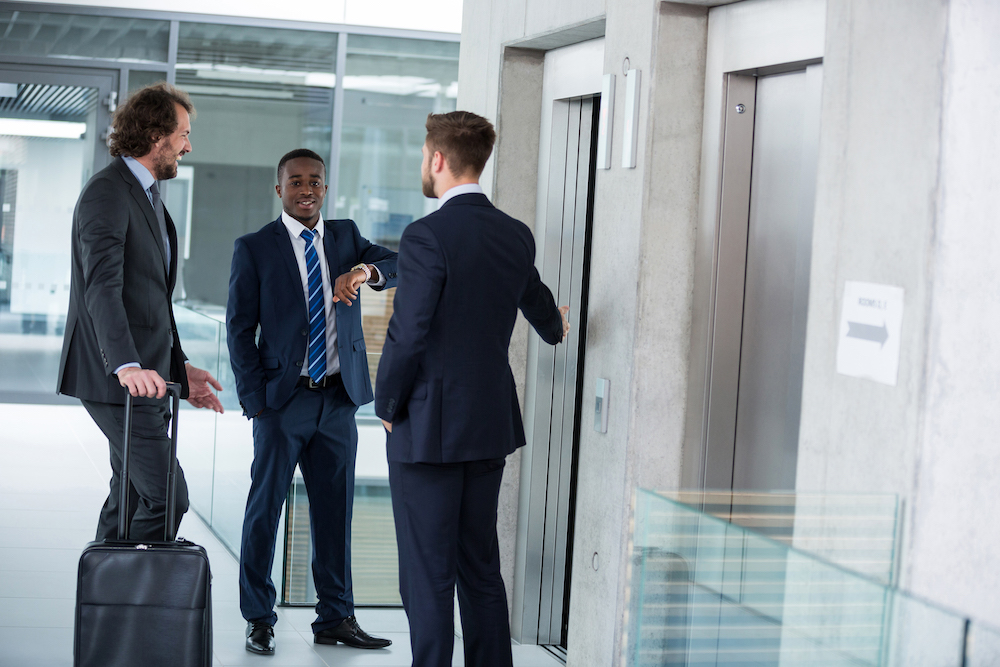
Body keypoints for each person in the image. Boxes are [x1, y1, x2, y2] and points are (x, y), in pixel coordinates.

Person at [374, 111, 570, 667]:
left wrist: (387, 405)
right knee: (480, 566)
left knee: (427, 571)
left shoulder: (426, 235)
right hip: (488, 426)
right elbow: (536, 300)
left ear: (437, 159)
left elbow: (408, 333)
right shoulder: (514, 233)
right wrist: (556, 327)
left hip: (428, 429)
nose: (422, 163)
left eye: (422, 155)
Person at [227, 148, 397, 655]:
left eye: (315, 182)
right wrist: (256, 400)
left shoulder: (344, 237)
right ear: (279, 189)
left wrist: (363, 273)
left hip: (339, 400)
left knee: (335, 512)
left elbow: (399, 261)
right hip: (283, 401)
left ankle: (335, 618)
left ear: (325, 188)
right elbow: (239, 328)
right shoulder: (255, 247)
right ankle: (259, 617)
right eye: (295, 181)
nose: (306, 189)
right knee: (266, 511)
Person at [57, 83, 224, 544]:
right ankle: (141, 600)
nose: (189, 145)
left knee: (130, 496)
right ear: (156, 135)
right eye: (183, 134)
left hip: (145, 378)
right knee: (167, 495)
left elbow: (150, 301)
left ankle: (110, 608)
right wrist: (128, 365)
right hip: (118, 379)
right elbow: (102, 289)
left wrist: (179, 367)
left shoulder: (147, 196)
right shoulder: (108, 193)